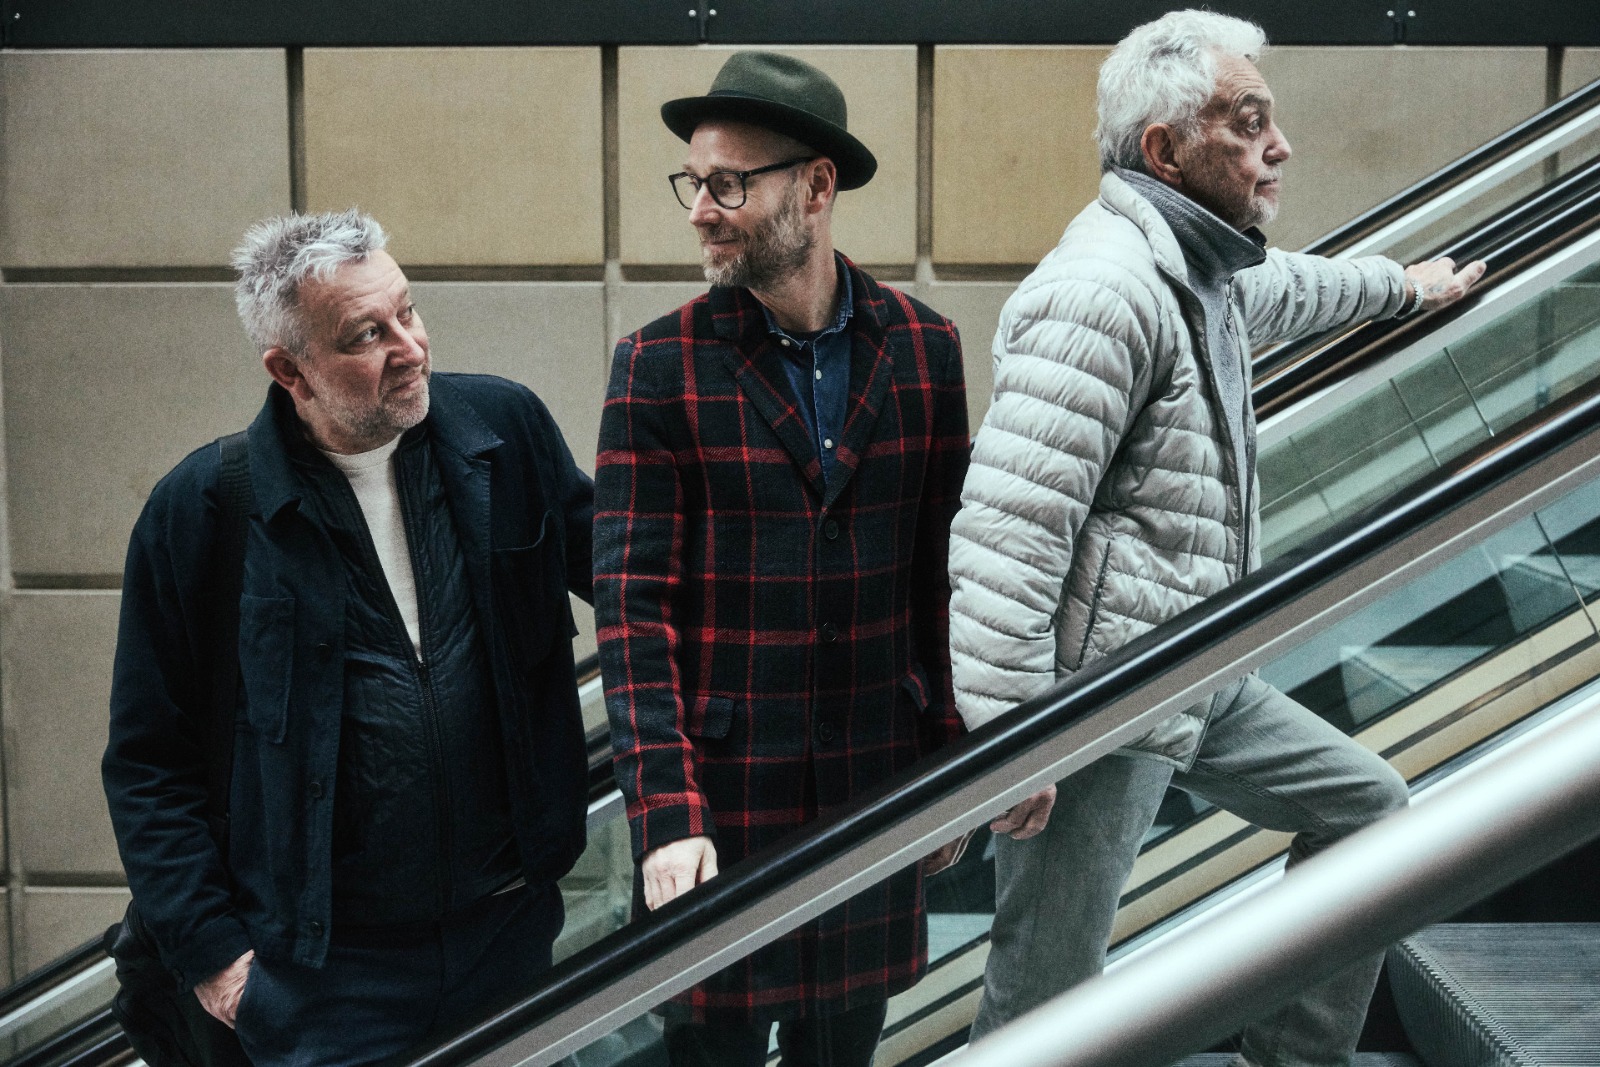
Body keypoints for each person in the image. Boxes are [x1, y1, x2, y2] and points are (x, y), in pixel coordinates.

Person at [947, 11, 1486, 1066]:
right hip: (1098, 698)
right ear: (1165, 149)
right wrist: (1013, 733)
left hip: (1191, 665)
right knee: (1043, 1005)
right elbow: (1011, 527)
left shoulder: (1202, 269)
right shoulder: (1102, 290)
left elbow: (1296, 287)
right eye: (1248, 123)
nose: (1279, 146)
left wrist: (1403, 285)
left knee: (1369, 811)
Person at [102, 209, 595, 1067]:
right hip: (323, 979)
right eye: (367, 334)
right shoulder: (205, 510)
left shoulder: (503, 433)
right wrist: (218, 959)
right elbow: (149, 763)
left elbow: (641, 585)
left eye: (408, 311)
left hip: (505, 933)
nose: (410, 347)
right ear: (289, 370)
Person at [594, 51, 972, 1067]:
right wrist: (665, 809)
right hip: (722, 808)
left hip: (874, 787)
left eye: (727, 184)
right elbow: (632, 611)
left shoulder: (925, 347)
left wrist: (952, 757)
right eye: (692, 183)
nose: (699, 211)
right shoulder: (657, 365)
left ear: (815, 185)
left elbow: (940, 579)